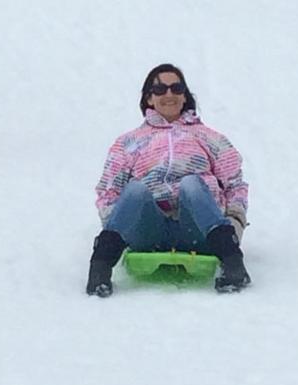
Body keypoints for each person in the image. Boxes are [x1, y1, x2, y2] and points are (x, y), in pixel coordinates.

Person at [86, 64, 250, 296]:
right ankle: (100, 267)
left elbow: (235, 183)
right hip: (148, 231)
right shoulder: (129, 142)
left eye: (176, 88)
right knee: (134, 190)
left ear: (185, 96)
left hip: (199, 229)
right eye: (160, 89)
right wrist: (115, 223)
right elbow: (108, 190)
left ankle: (233, 264)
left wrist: (235, 222)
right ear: (149, 99)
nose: (169, 94)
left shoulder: (209, 138)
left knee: (191, 184)